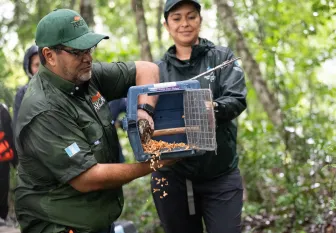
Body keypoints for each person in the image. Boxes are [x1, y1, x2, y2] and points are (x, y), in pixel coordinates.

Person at [14, 9, 174, 233]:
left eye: (89, 49)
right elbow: (87, 178)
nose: (88, 57)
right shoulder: (43, 109)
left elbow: (147, 69)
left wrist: (144, 110)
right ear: (50, 56)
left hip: (95, 218)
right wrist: (156, 163)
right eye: (77, 51)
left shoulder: (84, 75)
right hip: (59, 224)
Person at [151, 1, 247, 233]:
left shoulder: (222, 58)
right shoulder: (157, 69)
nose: (184, 23)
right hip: (171, 176)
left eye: (191, 17)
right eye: (176, 18)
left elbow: (237, 99)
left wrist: (206, 107)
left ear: (200, 20)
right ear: (166, 25)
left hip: (219, 173)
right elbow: (145, 111)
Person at [13, 45, 40, 128]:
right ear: (29, 68)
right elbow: (18, 128)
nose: (41, 69)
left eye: (43, 63)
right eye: (37, 65)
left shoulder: (60, 86)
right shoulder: (22, 94)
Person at [0, 103, 17, 224]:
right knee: (3, 187)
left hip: (2, 157)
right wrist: (14, 160)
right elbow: (10, 134)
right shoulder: (2, 109)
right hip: (2, 157)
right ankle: (2, 215)